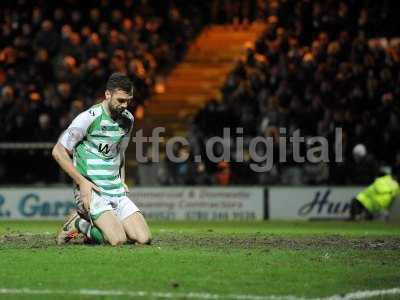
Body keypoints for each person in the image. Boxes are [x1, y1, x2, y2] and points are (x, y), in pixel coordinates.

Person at [52, 73, 151, 246]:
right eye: (120, 100)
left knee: (143, 238)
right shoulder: (88, 118)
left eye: (128, 100)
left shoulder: (128, 119)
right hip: (93, 190)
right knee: (117, 240)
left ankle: (104, 224)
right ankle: (78, 223)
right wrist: (81, 182)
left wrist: (121, 179)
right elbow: (58, 151)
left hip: (115, 190)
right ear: (107, 95)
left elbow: (119, 152)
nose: (125, 105)